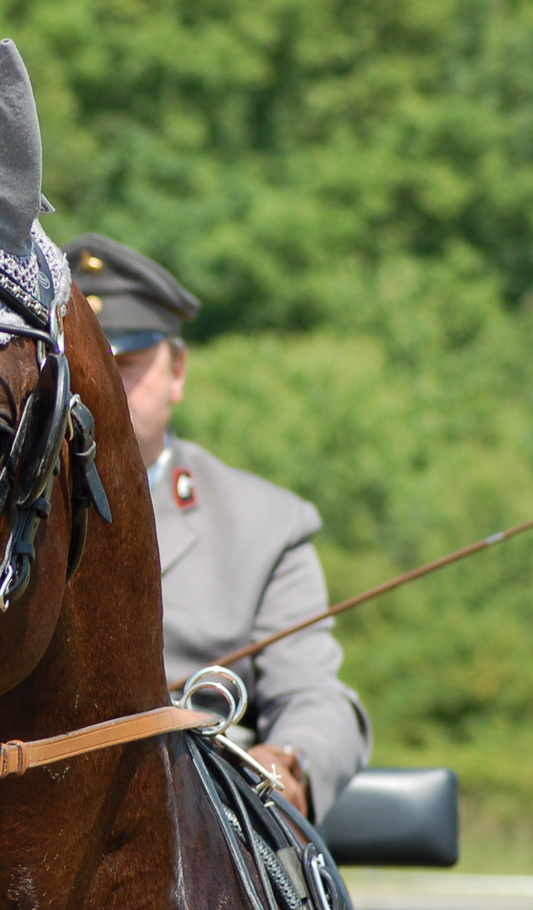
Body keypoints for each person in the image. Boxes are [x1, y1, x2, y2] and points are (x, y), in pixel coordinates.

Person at [62, 232, 370, 821]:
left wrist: (286, 766)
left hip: (203, 822)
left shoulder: (265, 527)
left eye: (122, 365)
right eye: (74, 364)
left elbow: (317, 698)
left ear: (177, 372)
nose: (94, 386)